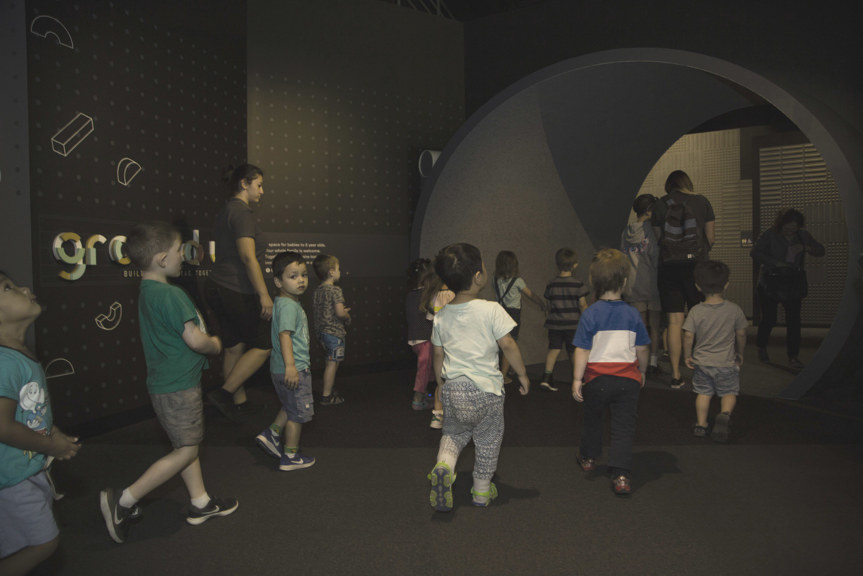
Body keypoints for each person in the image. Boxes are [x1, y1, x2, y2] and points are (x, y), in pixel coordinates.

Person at [100, 222, 236, 545]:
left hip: (165, 385)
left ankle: (200, 502)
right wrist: (216, 344)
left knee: (184, 445)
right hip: (178, 386)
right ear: (162, 259)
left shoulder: (147, 291)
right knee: (188, 449)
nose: (183, 257)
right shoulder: (172, 294)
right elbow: (194, 340)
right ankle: (123, 501)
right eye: (179, 251)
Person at [427, 243, 531, 512]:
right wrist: (521, 373)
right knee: (488, 441)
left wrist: (440, 383)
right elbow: (508, 343)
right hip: (487, 392)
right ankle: (482, 493)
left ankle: (444, 468)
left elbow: (437, 354)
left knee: (452, 435)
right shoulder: (491, 309)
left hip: (454, 389)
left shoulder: (442, 315)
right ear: (478, 276)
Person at [0, 271, 80, 575]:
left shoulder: (19, 356)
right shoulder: (5, 363)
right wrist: (49, 444)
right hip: (11, 479)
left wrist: (53, 433)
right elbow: (3, 426)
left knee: (25, 545)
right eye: (8, 288)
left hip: (27, 470)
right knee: (43, 544)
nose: (24, 288)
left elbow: (25, 413)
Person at [572, 249, 649, 496]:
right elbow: (643, 348)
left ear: (593, 282)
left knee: (592, 419)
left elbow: (582, 351)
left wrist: (576, 379)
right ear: (625, 282)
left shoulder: (590, 314)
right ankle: (621, 475)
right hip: (628, 380)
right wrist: (643, 370)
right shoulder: (632, 313)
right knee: (623, 426)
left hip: (597, 380)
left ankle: (588, 458)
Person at [205, 164, 271, 420]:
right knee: (264, 346)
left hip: (217, 286)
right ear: (244, 183)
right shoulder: (242, 213)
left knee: (233, 347)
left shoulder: (225, 211)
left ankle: (237, 403)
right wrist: (264, 295)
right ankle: (224, 393)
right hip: (236, 288)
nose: (262, 191)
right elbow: (248, 257)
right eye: (259, 185)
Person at [651, 170, 715, 389]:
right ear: (688, 182)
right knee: (701, 319)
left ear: (669, 185)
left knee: (674, 323)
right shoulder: (702, 202)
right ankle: (704, 372)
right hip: (697, 267)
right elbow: (710, 237)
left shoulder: (660, 205)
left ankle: (676, 375)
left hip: (670, 268)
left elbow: (660, 239)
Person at [254, 252, 316, 471]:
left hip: (279, 368)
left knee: (290, 406)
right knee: (297, 414)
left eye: (303, 275)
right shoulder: (289, 306)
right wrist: (292, 366)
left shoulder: (282, 302)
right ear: (279, 281)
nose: (300, 280)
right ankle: (290, 456)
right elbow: (285, 335)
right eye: (293, 276)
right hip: (293, 368)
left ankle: (272, 433)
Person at [751, 208, 825, 371]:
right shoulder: (770, 234)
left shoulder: (803, 236)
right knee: (769, 318)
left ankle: (793, 356)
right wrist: (776, 263)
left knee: (794, 321)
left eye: (794, 228)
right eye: (787, 228)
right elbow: (755, 252)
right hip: (770, 281)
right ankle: (762, 347)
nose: (790, 231)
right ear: (781, 224)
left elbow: (821, 251)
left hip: (792, 282)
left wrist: (806, 248)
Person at [683, 260, 748, 443]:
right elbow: (741, 334)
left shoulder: (696, 311)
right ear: (726, 285)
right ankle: (724, 414)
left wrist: (687, 355)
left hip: (702, 363)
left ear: (697, 286)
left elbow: (688, 335)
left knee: (703, 394)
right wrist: (740, 352)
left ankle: (701, 425)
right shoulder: (734, 310)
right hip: (726, 362)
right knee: (729, 392)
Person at [621, 194, 662, 375]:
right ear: (649, 211)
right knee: (654, 324)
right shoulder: (650, 231)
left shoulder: (626, 232)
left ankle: (638, 361)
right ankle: (652, 361)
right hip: (652, 283)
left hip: (632, 286)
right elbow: (655, 257)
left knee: (639, 326)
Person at [539, 248, 589, 391]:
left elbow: (549, 304)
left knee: (553, 349)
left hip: (555, 324)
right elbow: (582, 304)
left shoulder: (551, 284)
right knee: (573, 351)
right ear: (575, 265)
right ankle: (578, 378)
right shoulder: (578, 284)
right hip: (573, 325)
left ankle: (546, 378)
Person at [493, 251, 546, 383]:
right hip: (513, 314)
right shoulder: (518, 281)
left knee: (500, 343)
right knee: (510, 343)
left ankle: (503, 369)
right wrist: (542, 303)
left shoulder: (496, 279)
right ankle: (503, 376)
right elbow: (530, 295)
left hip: (499, 312)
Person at [312, 254, 351, 405]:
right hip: (334, 333)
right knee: (332, 363)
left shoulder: (317, 291)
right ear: (331, 272)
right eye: (338, 269)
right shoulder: (335, 291)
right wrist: (347, 316)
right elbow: (340, 313)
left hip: (321, 333)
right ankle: (327, 396)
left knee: (331, 362)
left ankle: (328, 387)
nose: (340, 272)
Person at [420, 273, 455, 429]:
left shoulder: (433, 296)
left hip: (438, 342)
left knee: (440, 381)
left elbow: (430, 318)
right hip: (454, 343)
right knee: (454, 380)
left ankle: (437, 415)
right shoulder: (454, 295)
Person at [405, 258, 435, 410]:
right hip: (426, 339)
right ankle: (417, 399)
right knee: (423, 369)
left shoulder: (411, 294)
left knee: (426, 367)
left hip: (414, 339)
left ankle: (426, 395)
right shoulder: (428, 295)